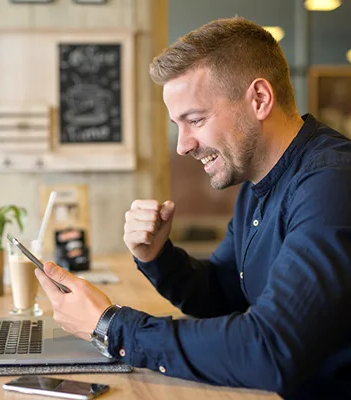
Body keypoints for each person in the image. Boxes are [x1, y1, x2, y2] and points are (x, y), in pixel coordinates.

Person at [35, 17, 351, 400]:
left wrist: (112, 327)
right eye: (178, 125)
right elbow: (222, 294)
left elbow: (269, 349)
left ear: (260, 99)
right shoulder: (258, 181)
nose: (183, 145)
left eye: (196, 120)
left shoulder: (332, 183)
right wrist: (158, 257)